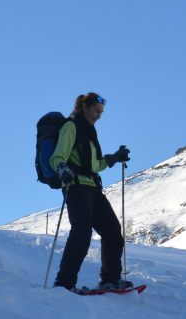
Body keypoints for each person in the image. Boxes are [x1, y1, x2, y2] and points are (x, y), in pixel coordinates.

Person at [51, 92, 131, 293]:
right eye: (96, 111)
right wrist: (61, 168)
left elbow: (94, 165)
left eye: (101, 112)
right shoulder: (71, 126)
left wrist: (114, 158)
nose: (99, 116)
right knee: (81, 234)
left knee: (113, 231)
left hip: (93, 188)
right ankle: (64, 283)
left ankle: (110, 279)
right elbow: (57, 156)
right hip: (76, 187)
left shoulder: (90, 131)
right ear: (85, 107)